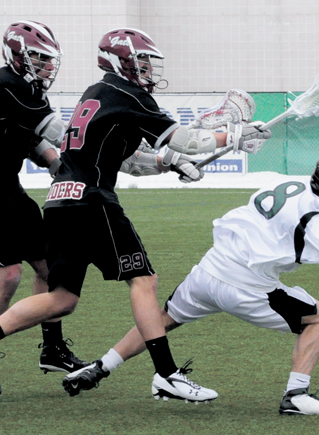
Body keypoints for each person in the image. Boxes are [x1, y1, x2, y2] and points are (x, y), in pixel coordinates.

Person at [0, 27, 271, 403]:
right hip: (91, 202)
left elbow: (126, 160)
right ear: (120, 61)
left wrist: (167, 163)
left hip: (60, 202)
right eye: (140, 61)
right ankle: (167, 374)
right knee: (143, 280)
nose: (146, 68)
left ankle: (150, 371)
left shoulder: (97, 93)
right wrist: (234, 136)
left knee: (60, 298)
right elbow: (187, 140)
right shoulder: (129, 95)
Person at [60, 151, 319, 415]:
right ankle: (296, 395)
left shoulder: (291, 185)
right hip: (247, 287)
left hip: (210, 268)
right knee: (317, 318)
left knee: (162, 319)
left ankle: (100, 367)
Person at [0, 20, 89, 391]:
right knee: (9, 275)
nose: (48, 65)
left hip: (10, 191)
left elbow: (34, 140)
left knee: (50, 268)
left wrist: (56, 165)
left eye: (49, 58)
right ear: (18, 55)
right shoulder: (9, 84)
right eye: (39, 57)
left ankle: (52, 349)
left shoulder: (27, 90)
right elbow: (60, 133)